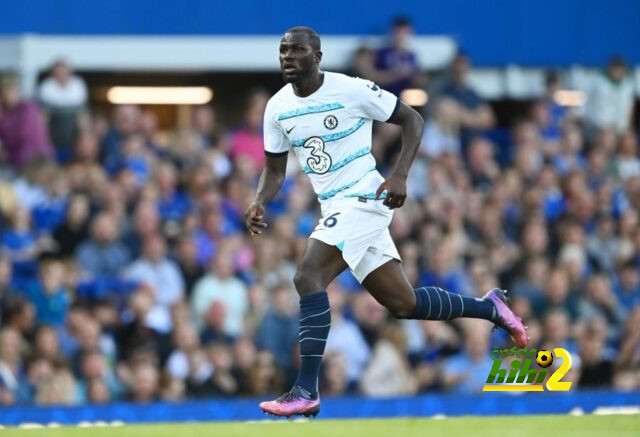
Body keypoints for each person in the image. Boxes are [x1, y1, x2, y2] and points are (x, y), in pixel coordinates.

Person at [244, 26, 527, 418]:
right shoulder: (276, 107)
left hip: (366, 196)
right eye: (282, 50)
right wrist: (259, 199)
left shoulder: (351, 89)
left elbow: (412, 119)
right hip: (335, 208)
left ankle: (305, 389)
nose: (287, 57)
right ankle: (490, 308)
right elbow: (274, 170)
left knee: (307, 277)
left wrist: (400, 174)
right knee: (403, 303)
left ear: (318, 56)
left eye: (297, 50)